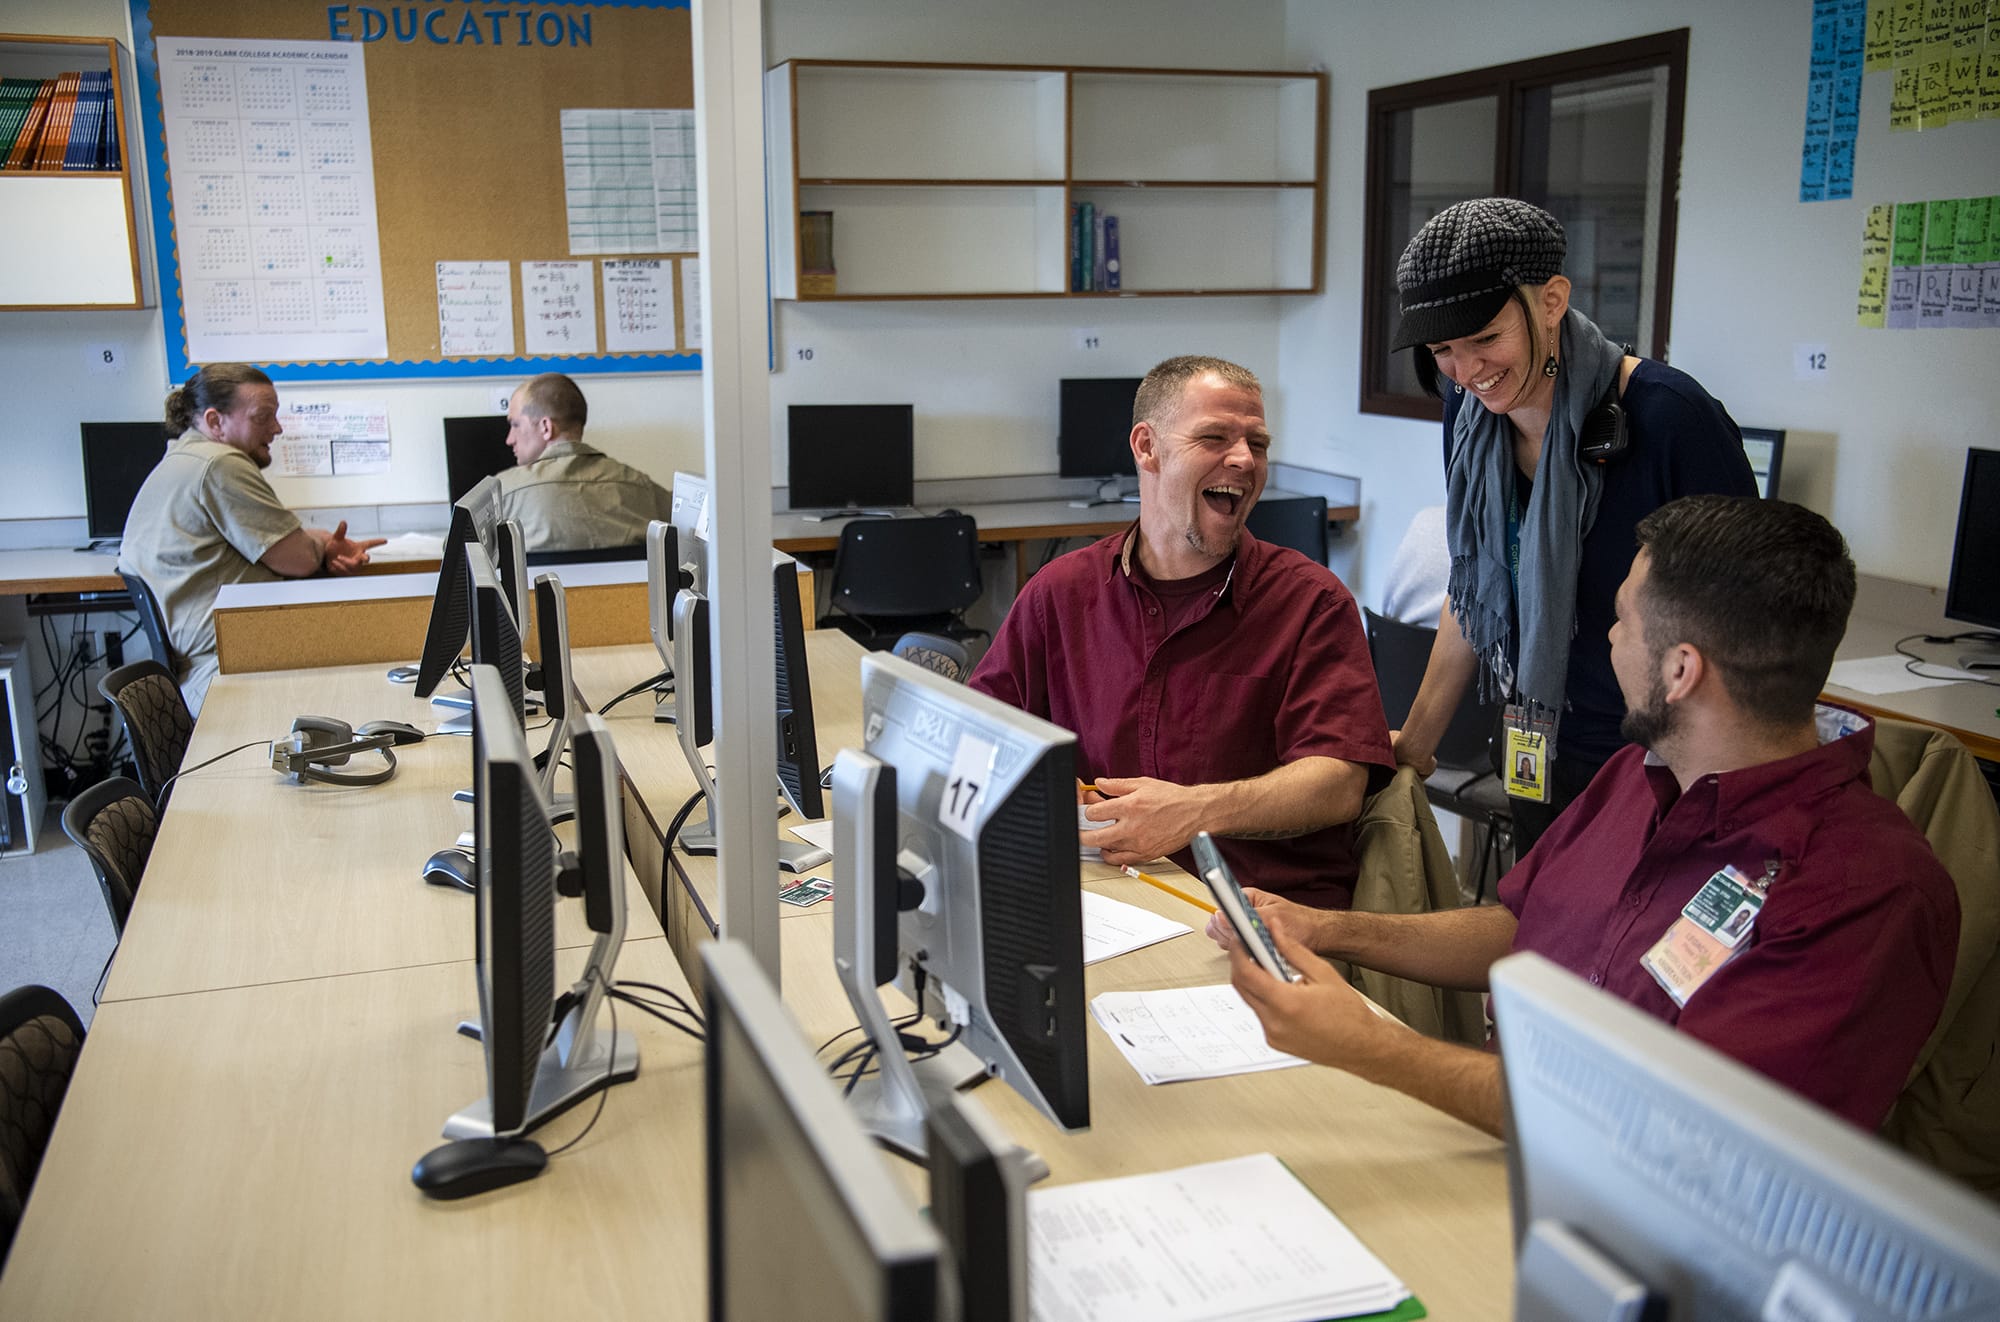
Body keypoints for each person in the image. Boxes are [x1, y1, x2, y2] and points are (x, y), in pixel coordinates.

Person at [1213, 496, 1959, 1135]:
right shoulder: (1637, 777)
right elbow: (1525, 929)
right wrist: (1328, 929)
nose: (1606, 639)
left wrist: (1371, 1047)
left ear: (1681, 670)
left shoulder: (1862, 892)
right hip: (1513, 1145)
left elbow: (1669, 1132)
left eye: (1622, 622)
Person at [1388, 198, 1756, 848]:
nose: (1467, 372)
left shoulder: (1672, 421)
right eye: (1442, 349)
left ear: (1552, 299)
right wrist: (1414, 744)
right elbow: (1476, 580)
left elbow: (1745, 627)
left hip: (1658, 764)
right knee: (1538, 937)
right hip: (1536, 739)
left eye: (1485, 339)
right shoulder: (1469, 418)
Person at [968, 356, 1393, 909]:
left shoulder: (1311, 603)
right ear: (1147, 448)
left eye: (1258, 444)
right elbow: (977, 730)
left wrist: (1193, 811)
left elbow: (1338, 785)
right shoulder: (1061, 592)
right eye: (1215, 437)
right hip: (1106, 896)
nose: (1244, 459)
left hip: (1255, 913)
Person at [120, 364, 385, 711]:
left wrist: (315, 542)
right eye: (263, 417)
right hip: (227, 664)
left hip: (212, 658)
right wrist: (320, 545)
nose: (276, 428)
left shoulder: (183, 458)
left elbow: (279, 546)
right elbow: (300, 559)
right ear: (215, 421)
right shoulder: (220, 464)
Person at [495, 372, 671, 553]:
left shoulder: (503, 493)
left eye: (515, 425)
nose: (509, 439)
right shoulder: (641, 487)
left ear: (545, 427)